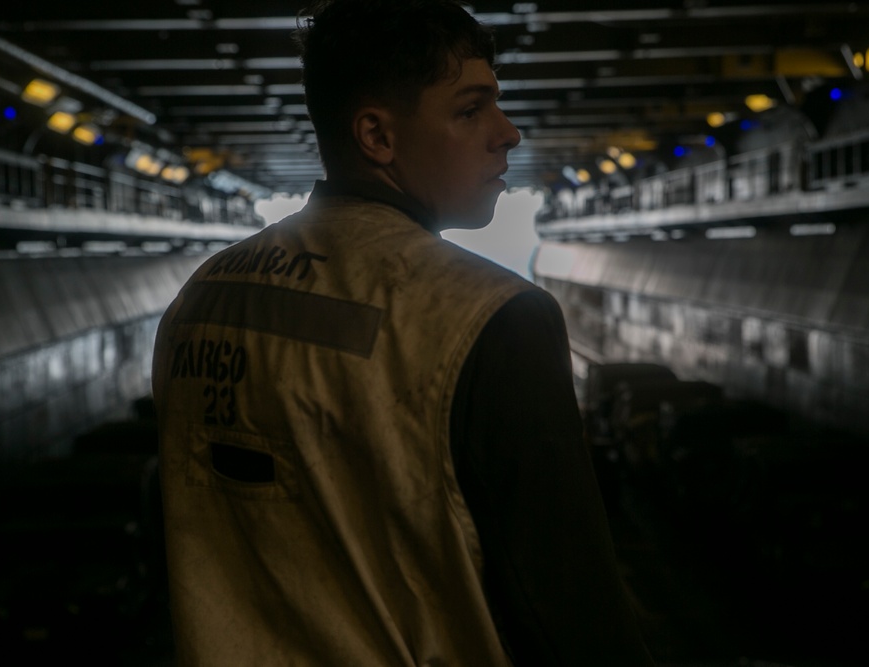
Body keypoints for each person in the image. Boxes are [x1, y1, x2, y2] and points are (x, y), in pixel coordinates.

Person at [152, 1, 654, 664]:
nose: (509, 133)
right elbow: (570, 614)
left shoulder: (201, 297)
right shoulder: (494, 315)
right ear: (377, 137)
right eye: (472, 109)